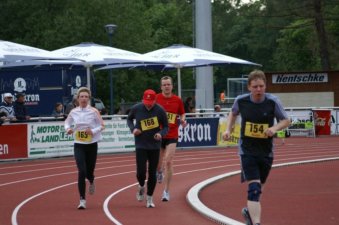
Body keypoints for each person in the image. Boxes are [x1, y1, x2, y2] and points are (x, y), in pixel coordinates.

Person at [222, 70, 290, 225]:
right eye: (255, 87)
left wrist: (274, 129)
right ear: (249, 87)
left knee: (259, 188)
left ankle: (248, 211)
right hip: (247, 150)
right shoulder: (241, 100)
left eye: (261, 86)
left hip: (266, 152)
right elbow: (233, 113)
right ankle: (256, 222)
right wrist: (228, 129)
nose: (258, 90)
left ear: (265, 86)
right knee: (254, 187)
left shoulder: (273, 101)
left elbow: (286, 120)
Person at [127, 89, 168, 208]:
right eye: (146, 101)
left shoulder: (160, 110)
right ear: (142, 100)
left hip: (154, 145)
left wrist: (161, 134)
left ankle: (150, 198)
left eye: (151, 102)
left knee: (152, 173)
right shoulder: (137, 108)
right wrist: (133, 129)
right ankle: (141, 186)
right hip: (141, 144)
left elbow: (166, 127)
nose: (148, 104)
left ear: (155, 100)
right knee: (141, 172)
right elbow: (129, 119)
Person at [64, 87, 104, 210]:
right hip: (79, 144)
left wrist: (92, 131)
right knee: (81, 171)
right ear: (78, 98)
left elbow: (102, 125)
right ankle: (82, 199)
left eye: (86, 97)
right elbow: (66, 122)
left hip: (92, 144)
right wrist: (68, 129)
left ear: (89, 98)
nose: (84, 99)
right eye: (82, 96)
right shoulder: (73, 111)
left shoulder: (94, 111)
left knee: (89, 171)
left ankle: (91, 180)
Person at [155, 76, 187, 201]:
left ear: (172, 86)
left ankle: (166, 191)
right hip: (159, 134)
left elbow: (182, 113)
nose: (167, 86)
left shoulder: (177, 100)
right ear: (161, 86)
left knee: (168, 161)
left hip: (172, 134)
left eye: (168, 84)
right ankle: (159, 172)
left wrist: (183, 120)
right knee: (158, 163)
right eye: (164, 85)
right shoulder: (156, 98)